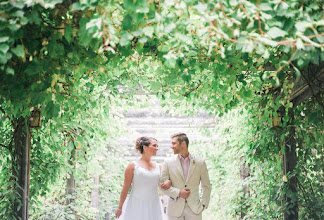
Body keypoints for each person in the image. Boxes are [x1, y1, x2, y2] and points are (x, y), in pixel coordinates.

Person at [115, 136, 171, 219]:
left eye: (157, 146)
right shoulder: (132, 166)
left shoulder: (159, 167)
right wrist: (120, 207)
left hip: (154, 204)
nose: (157, 148)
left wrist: (169, 182)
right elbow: (126, 187)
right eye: (154, 145)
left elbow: (164, 184)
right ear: (145, 147)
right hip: (136, 203)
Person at [160, 132, 211, 220]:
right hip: (174, 210)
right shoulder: (168, 163)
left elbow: (206, 185)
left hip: (194, 209)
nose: (171, 146)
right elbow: (162, 186)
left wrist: (204, 204)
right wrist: (178, 193)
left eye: (174, 143)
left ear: (183, 143)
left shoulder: (200, 163)